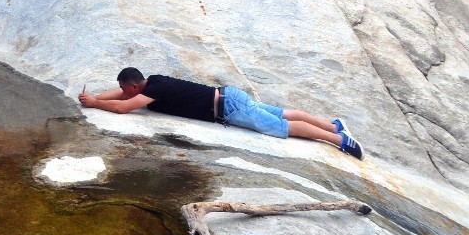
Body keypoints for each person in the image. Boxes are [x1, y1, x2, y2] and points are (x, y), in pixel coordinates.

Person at [77, 67, 364, 159]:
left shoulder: (154, 90)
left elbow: (123, 107)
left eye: (126, 88)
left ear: (135, 85)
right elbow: (119, 96)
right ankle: (333, 124)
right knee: (284, 113)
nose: (126, 93)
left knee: (282, 127)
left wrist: (96, 104)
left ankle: (339, 140)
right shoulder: (153, 82)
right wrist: (93, 98)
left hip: (229, 108)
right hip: (230, 97)